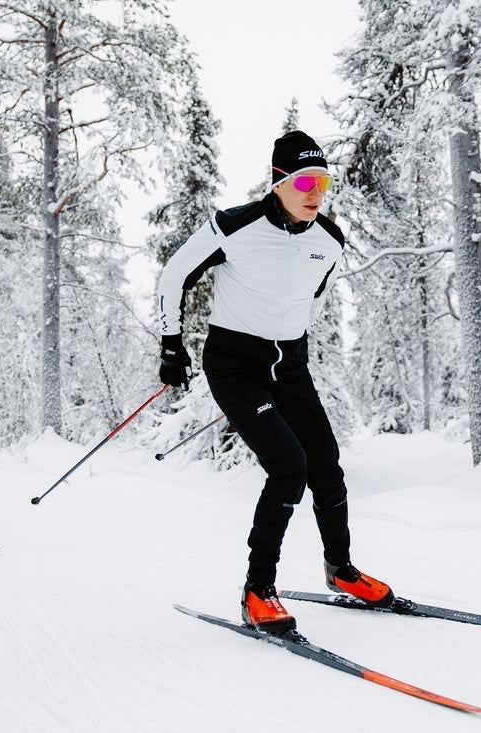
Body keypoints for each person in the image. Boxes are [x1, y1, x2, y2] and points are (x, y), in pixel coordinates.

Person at [157, 131, 394, 634]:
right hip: (234, 364)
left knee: (325, 464)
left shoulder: (328, 240)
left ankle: (341, 570)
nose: (316, 192)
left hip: (290, 364)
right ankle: (257, 589)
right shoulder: (232, 227)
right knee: (289, 468)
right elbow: (174, 275)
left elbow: (308, 296)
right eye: (306, 181)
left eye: (324, 183)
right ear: (280, 181)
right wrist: (171, 343)